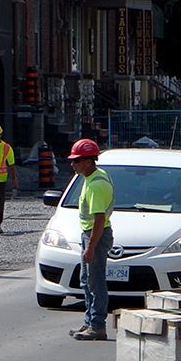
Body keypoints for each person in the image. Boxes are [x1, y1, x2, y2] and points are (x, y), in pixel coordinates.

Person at [69, 137, 114, 342]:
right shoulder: (91, 177)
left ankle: (97, 325)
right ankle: (90, 322)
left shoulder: (96, 184)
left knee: (95, 282)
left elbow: (98, 219)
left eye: (76, 160)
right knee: (86, 281)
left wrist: (91, 247)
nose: (73, 163)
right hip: (90, 235)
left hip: (95, 235)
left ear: (88, 161)